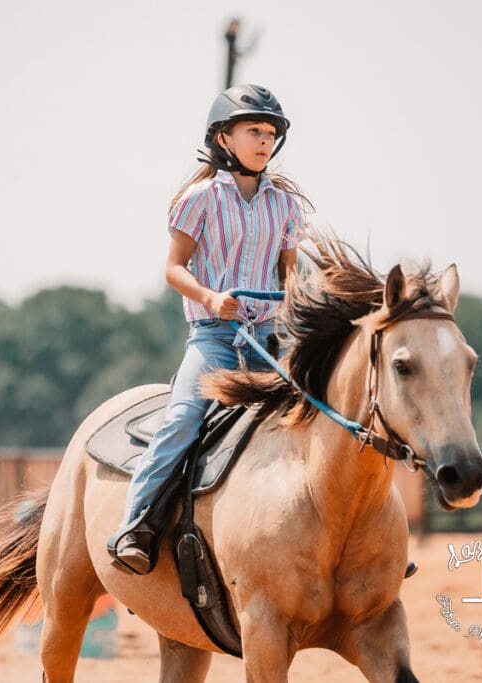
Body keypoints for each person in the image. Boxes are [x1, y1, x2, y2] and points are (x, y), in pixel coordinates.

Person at [109, 84, 310, 574]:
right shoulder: (199, 199)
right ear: (224, 138)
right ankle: (134, 526)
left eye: (270, 133)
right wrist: (210, 298)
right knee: (182, 420)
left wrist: (301, 309)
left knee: (328, 411)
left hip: (269, 342)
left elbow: (291, 276)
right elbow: (174, 268)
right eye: (253, 131)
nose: (264, 141)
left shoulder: (286, 208)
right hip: (214, 341)